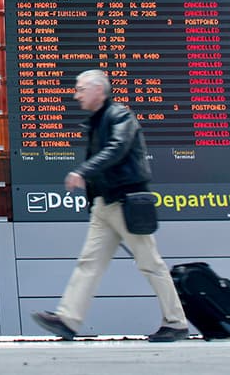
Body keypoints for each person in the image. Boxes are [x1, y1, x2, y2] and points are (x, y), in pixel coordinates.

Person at [31, 69, 189, 342]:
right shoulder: (97, 121)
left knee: (150, 264)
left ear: (98, 90)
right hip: (105, 205)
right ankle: (68, 319)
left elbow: (117, 148)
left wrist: (84, 171)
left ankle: (176, 322)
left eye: (80, 89)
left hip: (126, 202)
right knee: (89, 263)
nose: (75, 94)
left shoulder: (120, 116)